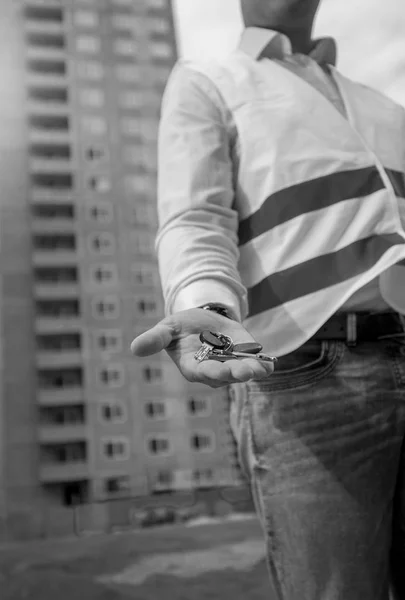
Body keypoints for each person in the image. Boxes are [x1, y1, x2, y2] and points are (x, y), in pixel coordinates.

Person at [131, 0, 405, 597]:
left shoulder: (380, 103)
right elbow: (195, 218)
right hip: (308, 374)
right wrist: (209, 308)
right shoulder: (208, 78)